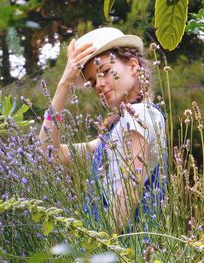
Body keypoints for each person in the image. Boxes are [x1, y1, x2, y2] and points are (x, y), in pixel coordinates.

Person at [38, 27, 167, 230]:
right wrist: (64, 84)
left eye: (105, 72)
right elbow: (48, 153)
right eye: (92, 81)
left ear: (133, 66)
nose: (98, 85)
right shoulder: (115, 132)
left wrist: (100, 247)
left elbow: (128, 192)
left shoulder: (140, 116)